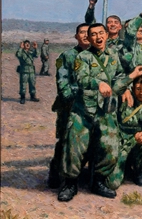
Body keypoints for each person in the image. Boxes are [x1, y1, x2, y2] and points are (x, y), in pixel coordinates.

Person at [58, 23, 142, 202]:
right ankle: (70, 184)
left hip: (106, 111)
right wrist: (98, 83)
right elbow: (81, 79)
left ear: (106, 35)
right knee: (74, 146)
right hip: (83, 111)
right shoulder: (83, 57)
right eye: (93, 35)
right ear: (89, 38)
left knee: (110, 146)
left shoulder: (113, 55)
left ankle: (98, 181)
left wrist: (131, 77)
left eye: (101, 33)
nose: (98, 37)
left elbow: (117, 81)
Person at [48, 23, 90, 189]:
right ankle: (56, 172)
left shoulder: (96, 56)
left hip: (90, 107)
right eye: (82, 32)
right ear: (76, 36)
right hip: (70, 106)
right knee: (65, 140)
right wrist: (74, 95)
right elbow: (62, 82)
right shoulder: (66, 56)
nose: (85, 35)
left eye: (88, 32)